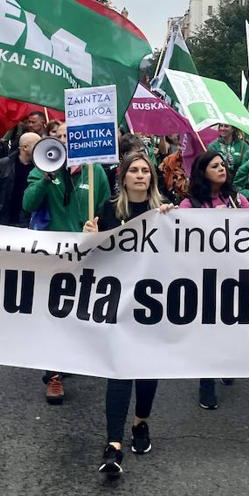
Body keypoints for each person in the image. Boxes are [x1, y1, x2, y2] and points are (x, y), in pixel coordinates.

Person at [83, 154, 173, 480]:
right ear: (123, 177)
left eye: (144, 171)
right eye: (133, 170)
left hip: (153, 303)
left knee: (147, 368)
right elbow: (95, 255)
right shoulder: (108, 210)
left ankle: (140, 421)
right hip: (118, 304)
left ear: (152, 177)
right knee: (119, 369)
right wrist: (90, 235)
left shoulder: (165, 210)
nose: (139, 175)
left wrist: (169, 221)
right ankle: (114, 443)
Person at [22, 125, 110, 404]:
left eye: (69, 136)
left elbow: (107, 208)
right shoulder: (43, 168)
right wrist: (46, 178)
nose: (64, 140)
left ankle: (71, 357)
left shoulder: (95, 173)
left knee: (78, 309)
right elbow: (28, 203)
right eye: (59, 136)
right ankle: (54, 375)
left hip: (86, 253)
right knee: (53, 312)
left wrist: (97, 228)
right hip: (52, 255)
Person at [180, 149, 249, 409]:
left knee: (231, 324)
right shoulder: (190, 205)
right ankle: (206, 383)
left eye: (223, 165)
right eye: (214, 166)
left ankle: (226, 361)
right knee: (208, 330)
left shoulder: (238, 200)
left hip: (234, 274)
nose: (221, 169)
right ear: (202, 172)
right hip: (205, 277)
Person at [0, 132, 40, 226]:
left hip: (27, 222)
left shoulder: (40, 168)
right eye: (37, 145)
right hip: (3, 220)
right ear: (25, 147)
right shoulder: (2, 165)